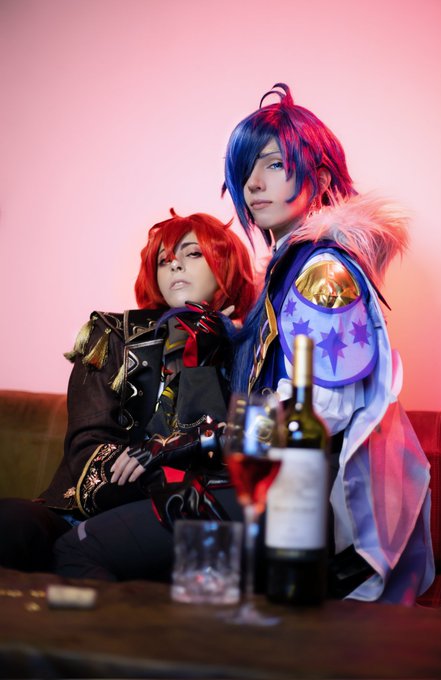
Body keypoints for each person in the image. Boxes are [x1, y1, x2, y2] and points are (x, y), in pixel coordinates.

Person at [222, 82, 434, 603]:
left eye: (274, 165)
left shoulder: (322, 271)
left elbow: (323, 410)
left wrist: (230, 439)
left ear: (317, 177)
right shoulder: (287, 270)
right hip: (281, 487)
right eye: (246, 170)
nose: (253, 184)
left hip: (310, 505)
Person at [0, 210, 255, 579]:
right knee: (9, 521)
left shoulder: (251, 351)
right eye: (164, 260)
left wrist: (203, 358)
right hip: (82, 513)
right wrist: (156, 475)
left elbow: (235, 456)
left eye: (193, 253)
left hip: (169, 524)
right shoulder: (113, 335)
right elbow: (87, 448)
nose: (175, 265)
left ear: (226, 264)